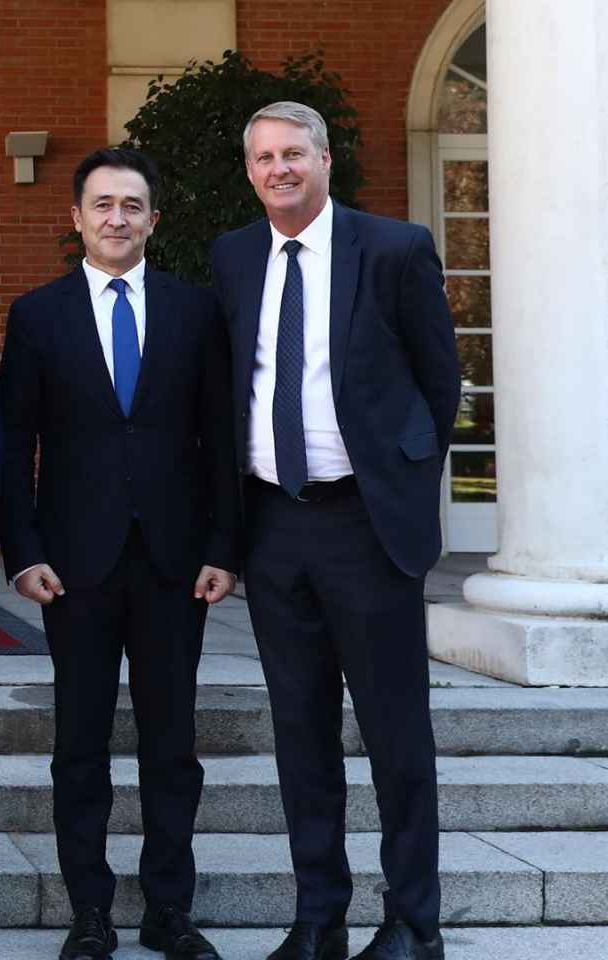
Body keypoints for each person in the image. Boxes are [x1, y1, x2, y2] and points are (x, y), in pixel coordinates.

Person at [210, 101, 460, 960]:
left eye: (293, 153)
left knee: (395, 736)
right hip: (274, 526)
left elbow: (440, 384)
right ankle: (318, 919)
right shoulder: (235, 256)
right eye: (263, 157)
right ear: (249, 170)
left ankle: (413, 924)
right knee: (300, 734)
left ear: (324, 159)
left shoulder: (393, 249)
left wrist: (402, 486)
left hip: (364, 524)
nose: (278, 168)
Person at [0, 148, 238, 960]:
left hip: (176, 563)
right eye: (101, 205)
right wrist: (21, 550)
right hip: (75, 566)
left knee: (173, 747)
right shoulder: (38, 316)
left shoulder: (197, 313)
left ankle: (169, 911)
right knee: (80, 747)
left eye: (132, 205)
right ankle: (89, 914)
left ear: (153, 220)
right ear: (75, 218)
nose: (116, 218)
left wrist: (223, 548)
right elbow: (14, 443)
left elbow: (222, 441)